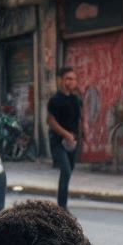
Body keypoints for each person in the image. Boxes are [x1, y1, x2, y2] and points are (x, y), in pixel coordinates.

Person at [47, 67, 83, 210]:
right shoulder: (55, 100)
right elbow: (50, 121)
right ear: (61, 80)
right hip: (58, 142)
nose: (70, 82)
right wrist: (66, 134)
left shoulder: (75, 100)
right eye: (67, 78)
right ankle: (62, 207)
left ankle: (62, 203)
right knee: (66, 170)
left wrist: (77, 137)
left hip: (73, 142)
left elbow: (78, 120)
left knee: (68, 173)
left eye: (73, 79)